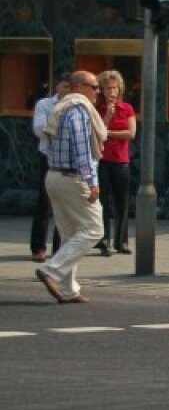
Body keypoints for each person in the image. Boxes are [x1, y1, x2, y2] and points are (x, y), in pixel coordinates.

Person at [34, 71, 107, 304]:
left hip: (54, 175)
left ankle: (68, 290)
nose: (98, 92)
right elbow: (82, 149)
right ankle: (52, 269)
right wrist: (92, 182)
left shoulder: (61, 107)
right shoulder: (77, 109)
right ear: (79, 87)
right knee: (94, 229)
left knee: (69, 233)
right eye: (94, 87)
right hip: (73, 177)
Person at [93, 70, 136, 256]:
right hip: (103, 159)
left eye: (115, 88)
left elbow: (131, 133)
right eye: (108, 88)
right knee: (103, 201)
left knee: (122, 200)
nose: (112, 92)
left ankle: (122, 240)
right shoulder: (97, 109)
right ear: (102, 90)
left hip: (121, 160)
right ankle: (103, 239)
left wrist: (108, 134)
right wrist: (108, 117)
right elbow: (96, 131)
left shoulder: (126, 108)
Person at [30, 73, 70, 262]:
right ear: (57, 87)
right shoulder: (44, 105)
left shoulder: (76, 106)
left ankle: (59, 248)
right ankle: (38, 247)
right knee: (44, 203)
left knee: (64, 206)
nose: (66, 92)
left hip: (68, 160)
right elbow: (39, 129)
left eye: (70, 88)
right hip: (48, 157)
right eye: (64, 87)